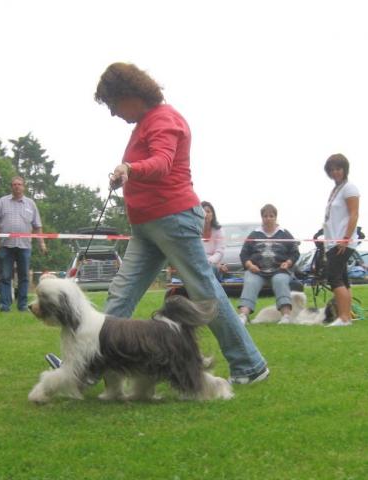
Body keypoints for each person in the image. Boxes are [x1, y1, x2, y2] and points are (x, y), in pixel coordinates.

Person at [93, 62, 268, 384]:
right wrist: (128, 176)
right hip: (148, 225)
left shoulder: (164, 119)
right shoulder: (147, 122)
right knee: (121, 294)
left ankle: (249, 365)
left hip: (172, 219)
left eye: (114, 104)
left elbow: (162, 163)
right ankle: (91, 363)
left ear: (130, 94)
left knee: (205, 292)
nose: (114, 113)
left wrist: (130, 168)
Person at [0, 176, 47, 312]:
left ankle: (22, 305)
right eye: (14, 184)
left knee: (24, 277)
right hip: (5, 246)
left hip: (24, 246)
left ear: (24, 187)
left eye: (19, 184)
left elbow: (37, 226)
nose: (17, 186)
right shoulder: (2, 202)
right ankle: (5, 305)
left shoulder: (31, 204)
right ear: (11, 187)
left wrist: (42, 244)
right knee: (5, 277)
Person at [237, 204, 300, 325]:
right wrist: (250, 265)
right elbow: (244, 254)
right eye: (265, 216)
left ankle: (286, 316)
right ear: (262, 218)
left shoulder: (285, 234)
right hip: (257, 271)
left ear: (276, 217)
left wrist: (288, 263)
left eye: (271, 216)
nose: (268, 218)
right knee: (250, 281)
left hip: (279, 270)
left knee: (280, 281)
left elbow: (295, 252)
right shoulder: (254, 235)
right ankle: (243, 315)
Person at [322, 154, 360, 327]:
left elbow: (354, 214)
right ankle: (346, 316)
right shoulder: (335, 189)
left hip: (342, 241)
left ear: (345, 169)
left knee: (333, 277)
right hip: (332, 241)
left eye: (338, 168)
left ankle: (344, 318)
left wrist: (345, 239)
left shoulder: (349, 188)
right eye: (332, 170)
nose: (335, 172)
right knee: (343, 279)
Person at [201, 200, 228, 281]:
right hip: (198, 264)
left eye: (208, 212)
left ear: (213, 214)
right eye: (203, 212)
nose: (205, 214)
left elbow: (219, 252)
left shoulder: (219, 231)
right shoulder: (194, 231)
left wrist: (207, 262)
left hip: (213, 265)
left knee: (209, 269)